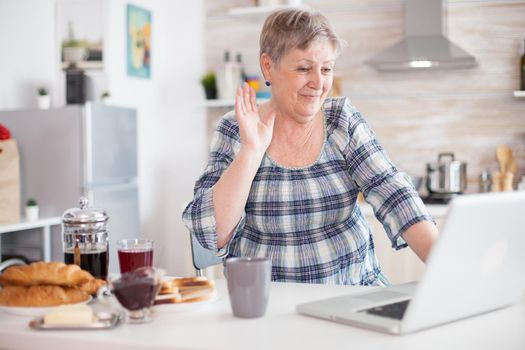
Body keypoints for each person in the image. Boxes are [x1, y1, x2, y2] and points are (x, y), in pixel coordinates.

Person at [183, 8, 438, 285]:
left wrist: (448, 264)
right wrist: (251, 150)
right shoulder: (234, 129)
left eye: (326, 68)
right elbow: (211, 233)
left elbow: (394, 193)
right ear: (268, 66)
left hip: (352, 293)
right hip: (268, 306)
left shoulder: (341, 120)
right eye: (304, 68)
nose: (318, 83)